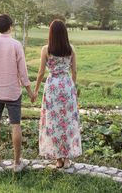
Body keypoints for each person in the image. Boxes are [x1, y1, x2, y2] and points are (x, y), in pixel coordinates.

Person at [0, 14, 35, 172]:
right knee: (15, 125)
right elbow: (23, 72)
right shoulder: (16, 45)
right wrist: (30, 92)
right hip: (13, 92)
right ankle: (17, 163)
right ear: (10, 26)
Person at [33, 19, 81, 168]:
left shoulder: (46, 49)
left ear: (51, 33)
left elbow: (41, 72)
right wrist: (72, 87)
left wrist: (35, 90)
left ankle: (58, 159)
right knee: (66, 122)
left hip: (52, 86)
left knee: (54, 123)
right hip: (66, 85)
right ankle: (67, 159)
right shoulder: (70, 49)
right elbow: (74, 71)